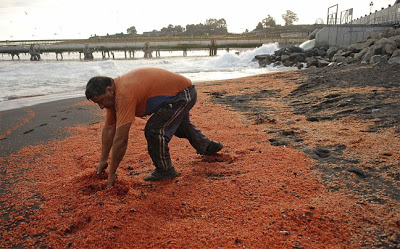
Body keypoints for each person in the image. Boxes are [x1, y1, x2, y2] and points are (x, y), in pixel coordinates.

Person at [85, 67, 223, 188]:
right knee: (180, 127)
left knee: (154, 130)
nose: (101, 106)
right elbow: (109, 130)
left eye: (101, 101)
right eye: (98, 103)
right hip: (177, 95)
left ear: (109, 90)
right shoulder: (114, 97)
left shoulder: (124, 94)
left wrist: (112, 174)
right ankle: (208, 146)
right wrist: (103, 160)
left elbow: (121, 139)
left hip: (183, 94)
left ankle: (165, 170)